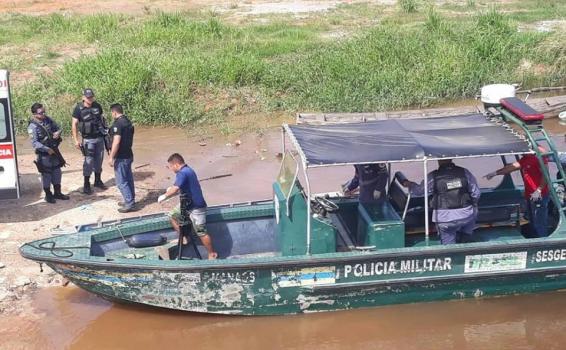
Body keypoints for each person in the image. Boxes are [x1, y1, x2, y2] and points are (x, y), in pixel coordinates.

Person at [401, 159, 480, 245]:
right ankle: (466, 237)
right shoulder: (465, 172)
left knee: (448, 241)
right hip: (466, 216)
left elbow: (419, 191)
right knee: (474, 210)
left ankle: (450, 251)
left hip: (444, 219)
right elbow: (476, 193)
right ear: (451, 159)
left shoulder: (433, 176)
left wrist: (410, 184)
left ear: (438, 160)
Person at [158, 153, 217, 259]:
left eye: (170, 167)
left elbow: (176, 188)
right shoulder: (188, 170)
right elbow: (179, 186)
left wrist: (164, 196)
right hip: (186, 204)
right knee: (173, 216)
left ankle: (212, 253)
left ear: (175, 164)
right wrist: (171, 189)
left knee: (201, 232)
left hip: (196, 207)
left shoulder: (183, 172)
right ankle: (185, 237)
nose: (171, 169)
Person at [485, 151, 549, 237]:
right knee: (532, 219)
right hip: (530, 195)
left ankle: (542, 239)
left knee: (540, 221)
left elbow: (545, 175)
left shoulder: (538, 158)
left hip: (540, 195)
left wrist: (539, 190)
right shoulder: (525, 159)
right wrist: (495, 173)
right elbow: (511, 167)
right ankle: (534, 236)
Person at [27, 103, 70, 203]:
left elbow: (58, 128)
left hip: (54, 151)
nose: (43, 114)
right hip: (44, 155)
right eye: (41, 113)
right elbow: (34, 143)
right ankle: (48, 195)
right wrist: (46, 149)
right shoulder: (32, 127)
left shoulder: (48, 120)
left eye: (44, 111)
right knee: (46, 174)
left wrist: (57, 133)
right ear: (35, 114)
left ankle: (57, 193)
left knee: (57, 172)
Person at [72, 88, 107, 194]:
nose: (90, 99)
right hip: (88, 139)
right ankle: (86, 184)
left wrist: (106, 134)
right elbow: (74, 124)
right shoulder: (78, 108)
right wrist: (76, 140)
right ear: (83, 97)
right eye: (88, 97)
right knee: (88, 162)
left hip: (99, 138)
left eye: (91, 96)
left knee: (99, 160)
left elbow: (102, 120)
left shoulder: (97, 106)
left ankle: (97, 180)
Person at [108, 103, 136, 213]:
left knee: (121, 182)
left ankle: (129, 203)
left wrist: (111, 157)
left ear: (114, 112)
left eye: (112, 113)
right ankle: (130, 200)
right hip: (129, 154)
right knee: (128, 179)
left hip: (121, 157)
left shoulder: (118, 124)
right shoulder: (128, 122)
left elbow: (116, 142)